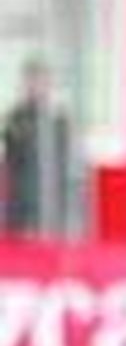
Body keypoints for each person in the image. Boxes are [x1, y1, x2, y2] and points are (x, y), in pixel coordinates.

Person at [2, 58, 72, 236]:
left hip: (49, 194)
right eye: (31, 80)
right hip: (20, 194)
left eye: (40, 81)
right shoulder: (14, 116)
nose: (35, 86)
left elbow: (63, 159)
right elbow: (10, 155)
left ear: (48, 84)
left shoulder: (58, 118)